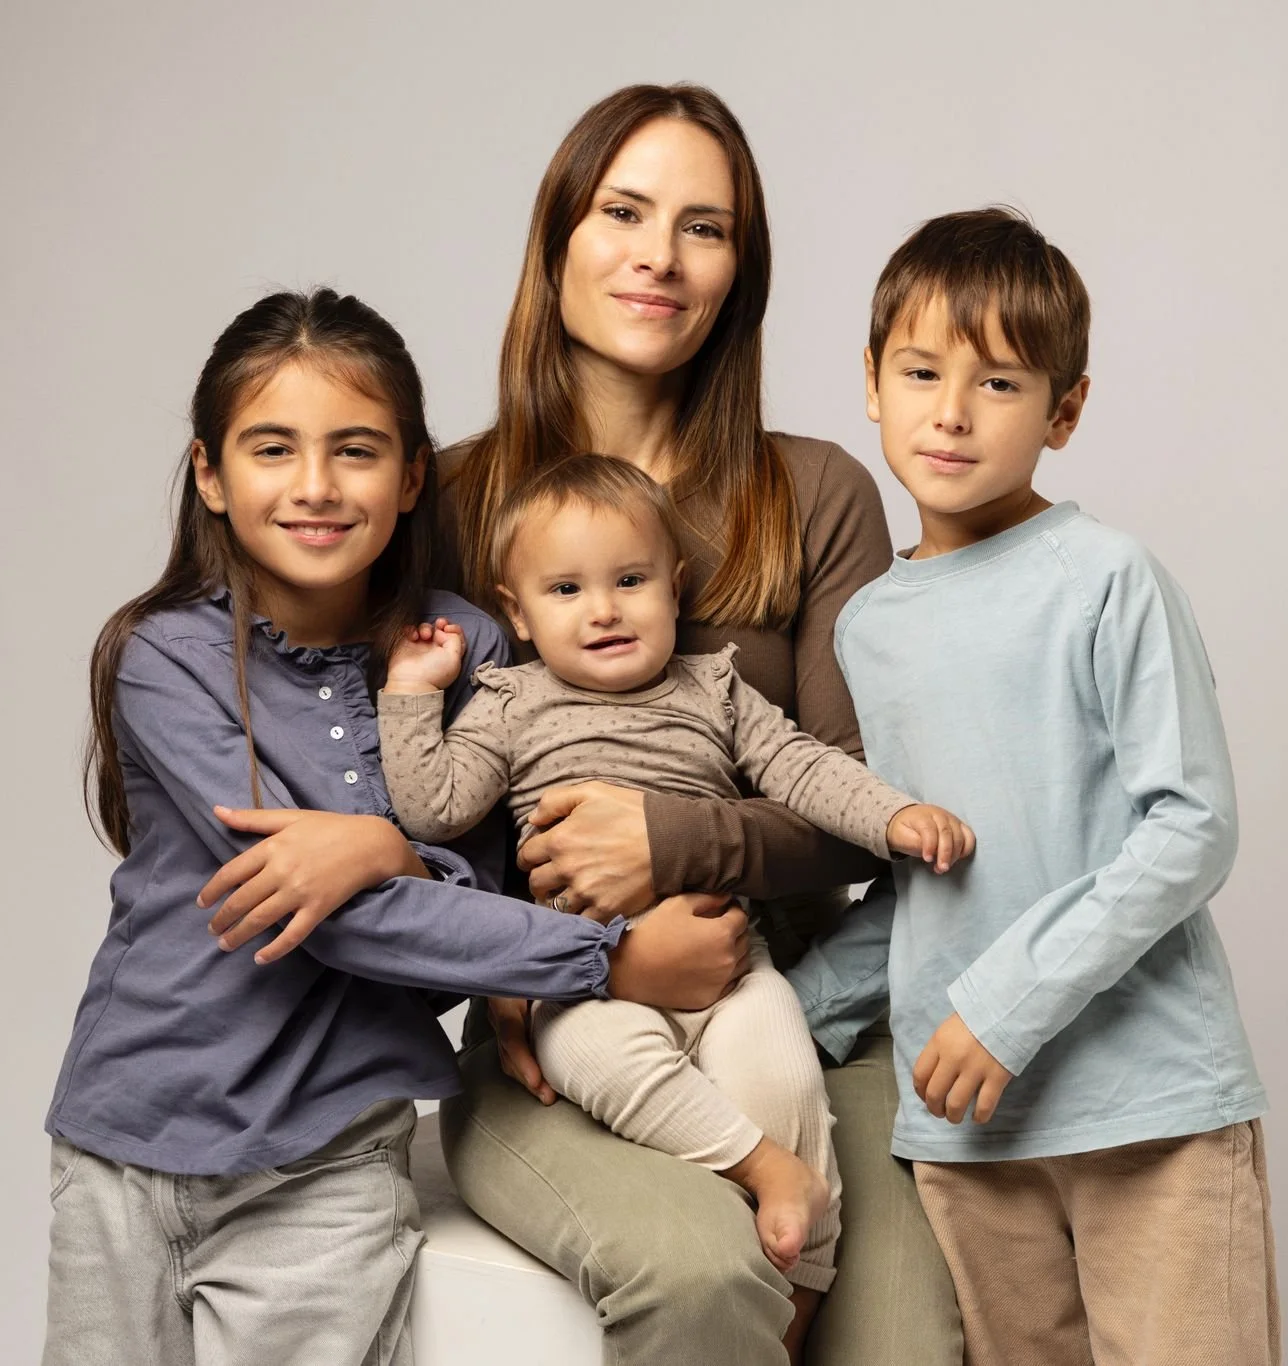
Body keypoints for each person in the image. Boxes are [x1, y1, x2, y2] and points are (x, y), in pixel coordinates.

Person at [202, 83, 964, 1366]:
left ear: (740, 272)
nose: (658, 256)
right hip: (551, 1034)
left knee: (898, 1342)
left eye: (703, 227)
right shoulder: (441, 502)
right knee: (700, 1278)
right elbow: (401, 793)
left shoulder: (815, 491)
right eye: (622, 211)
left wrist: (669, 839)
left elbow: (850, 816)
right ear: (558, 237)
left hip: (800, 1006)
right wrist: (571, 958)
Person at [41, 288, 748, 1366]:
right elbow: (309, 908)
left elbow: (485, 885)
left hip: (325, 1161)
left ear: (413, 474)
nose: (315, 486)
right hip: (120, 1143)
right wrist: (602, 957)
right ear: (210, 476)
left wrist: (390, 853)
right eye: (272, 449)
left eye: (356, 451)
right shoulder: (166, 656)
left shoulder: (468, 650)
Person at [790, 207, 1279, 1366]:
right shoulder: (868, 626)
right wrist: (783, 1014)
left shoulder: (1106, 577)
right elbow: (927, 881)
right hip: (970, 1137)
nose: (949, 413)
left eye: (998, 383)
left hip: (1148, 1108)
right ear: (870, 382)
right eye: (918, 372)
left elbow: (1191, 828)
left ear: (1064, 409)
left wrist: (1001, 1009)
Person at [376, 452, 974, 1294]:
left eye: (630, 580)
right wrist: (410, 690)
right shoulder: (509, 703)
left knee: (784, 1072)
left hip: (732, 963)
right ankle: (767, 1173)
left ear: (675, 586)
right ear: (515, 611)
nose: (605, 610)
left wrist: (891, 815)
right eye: (566, 591)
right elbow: (435, 808)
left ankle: (798, 1299)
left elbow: (803, 768)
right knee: (606, 1063)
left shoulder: (715, 688)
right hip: (580, 978)